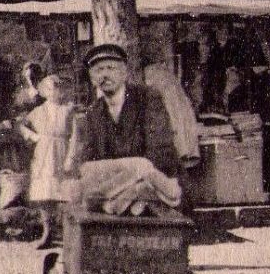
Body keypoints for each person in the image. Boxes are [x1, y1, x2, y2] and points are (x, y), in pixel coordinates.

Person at [66, 43, 183, 181]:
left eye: (111, 68)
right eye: (99, 70)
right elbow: (88, 156)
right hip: (116, 187)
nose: (105, 75)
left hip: (158, 184)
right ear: (92, 79)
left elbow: (160, 150)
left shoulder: (147, 98)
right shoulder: (93, 113)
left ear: (124, 73)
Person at [19, 72, 75, 247]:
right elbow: (20, 125)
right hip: (43, 154)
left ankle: (67, 235)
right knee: (44, 195)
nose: (54, 92)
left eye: (57, 88)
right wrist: (34, 137)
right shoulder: (38, 111)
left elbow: (75, 136)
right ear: (44, 91)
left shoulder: (68, 110)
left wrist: (71, 158)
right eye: (50, 88)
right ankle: (47, 233)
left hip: (62, 151)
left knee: (63, 193)